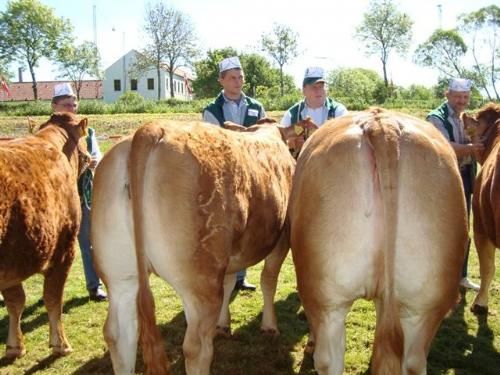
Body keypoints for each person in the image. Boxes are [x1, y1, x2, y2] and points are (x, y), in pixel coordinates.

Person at [202, 56, 266, 291]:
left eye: (240, 77)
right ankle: (222, 272)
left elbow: (263, 137)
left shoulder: (256, 106)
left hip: (251, 174)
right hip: (224, 177)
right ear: (221, 81)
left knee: (247, 223)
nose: (238, 82)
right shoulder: (211, 110)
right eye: (232, 78)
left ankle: (240, 276)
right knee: (224, 224)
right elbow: (211, 144)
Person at [427, 78, 484, 291]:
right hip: (444, 179)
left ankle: (461, 276)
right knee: (440, 226)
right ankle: (437, 274)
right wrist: (471, 148)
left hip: (466, 176)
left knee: (463, 227)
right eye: (458, 96)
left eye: (465, 97)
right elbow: (444, 147)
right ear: (447, 95)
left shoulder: (467, 118)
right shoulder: (436, 118)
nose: (462, 100)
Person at [51, 82, 107, 301]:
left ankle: (94, 286)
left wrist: (93, 161)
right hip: (56, 198)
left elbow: (97, 156)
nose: (71, 109)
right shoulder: (47, 131)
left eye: (74, 104)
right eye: (66, 105)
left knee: (88, 242)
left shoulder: (87, 130)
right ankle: (53, 290)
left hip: (81, 194)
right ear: (54, 106)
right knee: (54, 247)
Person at [281, 66, 348, 128]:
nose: (318, 91)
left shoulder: (339, 112)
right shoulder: (291, 115)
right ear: (304, 90)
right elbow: (280, 138)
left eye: (321, 86)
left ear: (327, 89)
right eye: (313, 87)